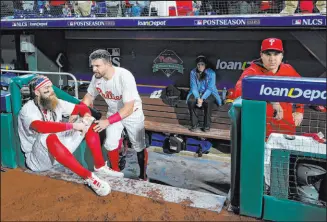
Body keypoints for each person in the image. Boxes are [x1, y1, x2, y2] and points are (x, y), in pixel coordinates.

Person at [18, 75, 123, 197]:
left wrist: (86, 117)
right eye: (46, 88)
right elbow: (40, 127)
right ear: (37, 92)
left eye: (51, 87)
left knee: (89, 122)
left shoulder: (54, 102)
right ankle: (89, 177)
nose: (51, 91)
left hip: (57, 152)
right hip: (38, 160)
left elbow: (82, 108)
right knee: (48, 136)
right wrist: (72, 126)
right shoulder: (28, 109)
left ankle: (100, 166)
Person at [80, 49, 148, 181]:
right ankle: (115, 173)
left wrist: (107, 122)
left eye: (97, 66)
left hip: (132, 114)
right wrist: (82, 110)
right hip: (113, 112)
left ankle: (143, 176)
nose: (94, 69)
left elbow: (128, 108)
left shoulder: (124, 76)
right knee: (110, 143)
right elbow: (89, 95)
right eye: (92, 66)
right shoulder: (96, 78)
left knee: (139, 145)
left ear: (108, 64)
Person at [234, 37, 304, 139]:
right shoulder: (252, 71)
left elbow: (303, 88)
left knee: (282, 155)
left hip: (285, 128)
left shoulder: (288, 69)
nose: (272, 59)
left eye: (276, 54)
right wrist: (271, 99)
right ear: (261, 55)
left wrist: (299, 110)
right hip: (260, 128)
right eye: (268, 54)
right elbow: (239, 91)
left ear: (282, 55)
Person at [186, 55, 222, 132]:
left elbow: (210, 88)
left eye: (202, 64)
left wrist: (202, 99)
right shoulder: (193, 72)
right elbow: (193, 87)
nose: (200, 66)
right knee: (191, 101)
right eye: (198, 64)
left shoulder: (211, 73)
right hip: (197, 93)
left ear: (205, 65)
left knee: (207, 102)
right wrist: (197, 97)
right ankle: (194, 124)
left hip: (209, 93)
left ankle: (206, 126)